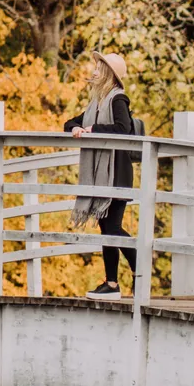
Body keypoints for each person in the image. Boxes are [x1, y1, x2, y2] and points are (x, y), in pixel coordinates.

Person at [64, 51, 138, 300]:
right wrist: (76, 127)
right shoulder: (95, 103)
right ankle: (113, 283)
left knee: (112, 228)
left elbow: (123, 129)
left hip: (116, 172)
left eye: (98, 68)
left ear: (108, 74)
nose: (94, 71)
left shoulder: (118, 99)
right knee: (108, 227)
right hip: (102, 175)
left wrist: (93, 129)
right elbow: (69, 122)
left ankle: (136, 269)